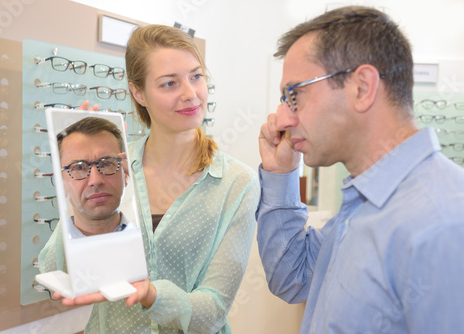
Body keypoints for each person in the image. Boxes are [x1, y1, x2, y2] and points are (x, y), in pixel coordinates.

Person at [39, 24, 259, 334]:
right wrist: (78, 175)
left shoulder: (236, 183)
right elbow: (53, 271)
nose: (190, 93)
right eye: (169, 83)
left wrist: (151, 295)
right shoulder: (114, 166)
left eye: (196, 76)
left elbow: (213, 312)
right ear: (138, 92)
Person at [257, 5, 464, 333]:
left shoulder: (443, 221)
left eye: (294, 95)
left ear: (362, 87)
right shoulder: (366, 202)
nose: (282, 118)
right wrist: (281, 173)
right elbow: (292, 277)